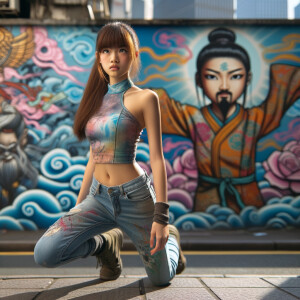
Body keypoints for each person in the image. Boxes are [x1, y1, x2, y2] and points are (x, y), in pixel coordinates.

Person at [34, 22, 186, 286]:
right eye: (105, 50)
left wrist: (161, 218)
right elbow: (94, 156)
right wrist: (78, 204)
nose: (113, 57)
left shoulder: (145, 98)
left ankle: (170, 240)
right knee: (45, 253)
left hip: (136, 199)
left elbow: (158, 160)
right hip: (97, 197)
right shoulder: (95, 99)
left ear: (134, 54)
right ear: (98, 58)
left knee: (161, 279)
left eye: (122, 50)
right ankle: (106, 244)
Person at [156, 27, 300, 213]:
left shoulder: (256, 118)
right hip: (208, 201)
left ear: (248, 79)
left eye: (235, 76)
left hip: (248, 200)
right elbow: (158, 104)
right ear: (199, 80)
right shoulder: (192, 117)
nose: (224, 86)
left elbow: (284, 90)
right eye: (212, 77)